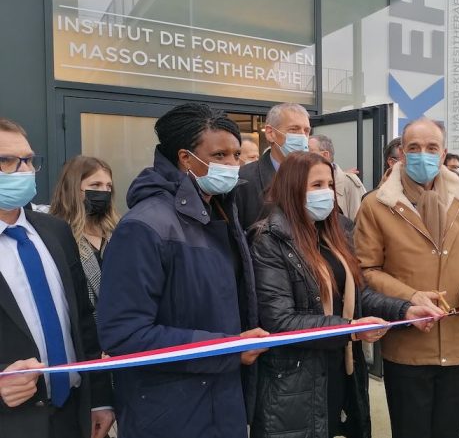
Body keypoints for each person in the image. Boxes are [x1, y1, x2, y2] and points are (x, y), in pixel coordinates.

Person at [97, 103, 267, 438]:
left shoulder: (219, 212)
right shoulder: (145, 226)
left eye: (236, 155)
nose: (233, 165)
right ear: (186, 158)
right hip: (169, 412)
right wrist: (227, 347)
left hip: (219, 402)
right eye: (220, 155)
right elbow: (124, 335)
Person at [249, 151, 439, 438]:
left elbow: (357, 297)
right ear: (292, 188)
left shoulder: (336, 232)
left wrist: (404, 310)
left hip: (343, 369)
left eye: (329, 185)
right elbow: (280, 320)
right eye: (316, 186)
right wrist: (350, 329)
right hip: (296, 379)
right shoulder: (269, 240)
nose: (326, 193)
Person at [354, 117, 459, 438]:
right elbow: (366, 271)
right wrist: (411, 297)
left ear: (443, 152)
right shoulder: (376, 205)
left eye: (431, 148)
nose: (423, 154)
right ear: (403, 155)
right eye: (414, 148)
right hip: (408, 346)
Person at [0, 118, 113, 438]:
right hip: (11, 421)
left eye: (28, 160)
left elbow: (82, 319)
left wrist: (100, 399)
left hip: (72, 413)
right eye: (6, 161)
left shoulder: (55, 231)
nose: (22, 170)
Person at [49, 156, 120, 318]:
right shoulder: (57, 236)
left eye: (108, 186)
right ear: (73, 189)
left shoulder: (119, 231)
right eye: (95, 185)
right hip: (85, 334)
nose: (104, 191)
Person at [235, 103, 311, 230]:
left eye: (306, 131)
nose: (302, 137)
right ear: (270, 133)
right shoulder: (243, 180)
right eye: (294, 129)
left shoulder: (317, 176)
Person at [309, 134, 367, 220]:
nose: (303, 154)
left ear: (325, 155)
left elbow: (359, 222)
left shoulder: (349, 182)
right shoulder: (301, 179)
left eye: (307, 150)